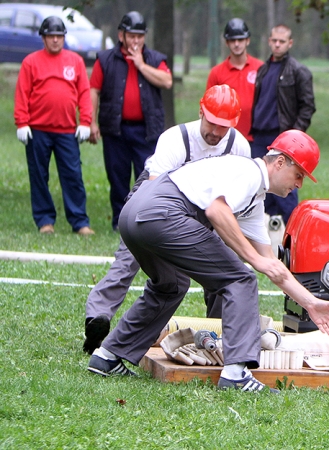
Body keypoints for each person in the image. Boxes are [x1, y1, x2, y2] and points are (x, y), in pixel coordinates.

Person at [87, 130, 329, 393]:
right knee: (239, 279)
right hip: (162, 213)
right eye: (298, 174)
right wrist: (252, 259)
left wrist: (310, 303)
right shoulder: (249, 173)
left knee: (170, 285)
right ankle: (236, 375)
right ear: (279, 162)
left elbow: (271, 264)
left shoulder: (254, 198)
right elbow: (217, 211)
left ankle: (107, 356)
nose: (299, 184)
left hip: (135, 213)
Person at [82, 85, 250, 354]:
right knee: (129, 258)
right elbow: (151, 197)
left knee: (224, 261)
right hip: (153, 203)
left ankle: (217, 331)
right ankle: (98, 316)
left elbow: (237, 196)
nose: (217, 133)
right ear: (200, 111)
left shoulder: (238, 146)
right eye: (213, 123)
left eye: (225, 126)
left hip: (209, 207)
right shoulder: (175, 138)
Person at [88, 11, 173, 230]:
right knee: (117, 177)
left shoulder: (154, 59)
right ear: (121, 35)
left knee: (147, 178)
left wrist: (141, 65)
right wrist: (91, 121)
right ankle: (119, 221)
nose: (136, 40)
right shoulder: (105, 59)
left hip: (146, 131)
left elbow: (167, 81)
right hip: (115, 129)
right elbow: (94, 90)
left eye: (140, 36)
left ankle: (143, 220)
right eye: (131, 36)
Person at [14, 16, 94, 236]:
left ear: (64, 38)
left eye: (59, 36)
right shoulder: (31, 61)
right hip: (37, 130)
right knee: (39, 176)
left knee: (73, 176)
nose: (56, 40)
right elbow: (22, 93)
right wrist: (22, 121)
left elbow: (84, 93)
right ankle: (44, 221)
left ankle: (80, 222)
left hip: (67, 130)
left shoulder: (75, 61)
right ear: (43, 38)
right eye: (51, 36)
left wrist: (85, 121)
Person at [250, 24, 315, 226]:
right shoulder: (262, 69)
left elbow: (308, 107)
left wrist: (294, 137)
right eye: (274, 41)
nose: (277, 45)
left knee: (286, 193)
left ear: (290, 43)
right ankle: (264, 240)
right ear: (269, 41)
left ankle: (293, 238)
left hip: (283, 139)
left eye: (282, 41)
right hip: (260, 138)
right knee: (261, 193)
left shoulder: (298, 71)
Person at [207, 18, 263, 142]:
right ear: (227, 43)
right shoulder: (216, 72)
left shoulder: (261, 68)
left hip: (256, 138)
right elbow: (208, 108)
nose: (236, 44)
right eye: (232, 40)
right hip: (225, 138)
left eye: (240, 39)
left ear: (247, 41)